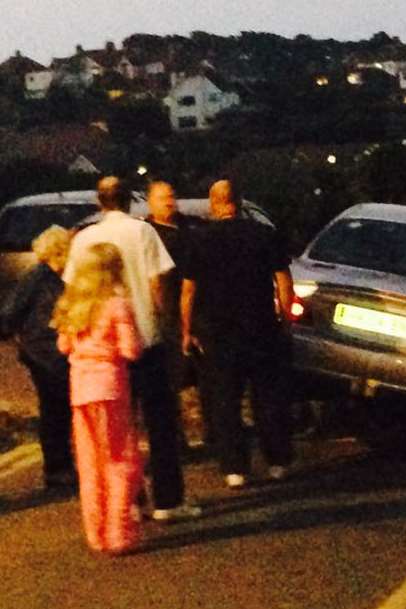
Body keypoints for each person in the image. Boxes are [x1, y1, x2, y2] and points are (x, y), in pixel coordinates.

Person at [64, 176, 201, 522]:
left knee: (120, 434)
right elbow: (158, 283)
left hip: (105, 350)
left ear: (100, 202)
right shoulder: (143, 232)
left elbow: (72, 288)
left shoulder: (83, 239)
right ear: (129, 201)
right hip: (146, 340)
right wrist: (167, 324)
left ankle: (132, 500)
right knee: (160, 424)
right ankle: (169, 501)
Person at [181, 179, 295, 489]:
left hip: (217, 331)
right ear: (240, 202)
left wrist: (187, 330)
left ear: (213, 203)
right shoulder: (263, 235)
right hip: (259, 325)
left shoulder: (200, 240)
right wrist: (284, 319)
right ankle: (277, 460)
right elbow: (283, 281)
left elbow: (188, 291)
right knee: (267, 396)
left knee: (225, 400)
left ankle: (235, 467)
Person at [52, 243, 144, 553]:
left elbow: (63, 347)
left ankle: (96, 532)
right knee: (121, 460)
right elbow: (130, 350)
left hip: (80, 391)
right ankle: (119, 531)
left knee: (90, 464)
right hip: (111, 388)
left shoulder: (71, 303)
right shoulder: (117, 305)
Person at [0, 226, 76, 490]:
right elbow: (11, 313)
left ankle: (62, 465)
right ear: (59, 251)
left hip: (53, 351)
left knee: (60, 409)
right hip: (43, 354)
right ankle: (57, 468)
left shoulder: (56, 277)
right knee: (55, 409)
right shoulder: (37, 278)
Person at [145, 181, 215, 446]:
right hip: (167, 315)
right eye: (162, 197)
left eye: (172, 196)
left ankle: (213, 431)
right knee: (170, 381)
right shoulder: (149, 233)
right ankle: (175, 437)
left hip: (199, 313)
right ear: (151, 202)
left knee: (207, 378)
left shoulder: (191, 228)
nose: (169, 202)